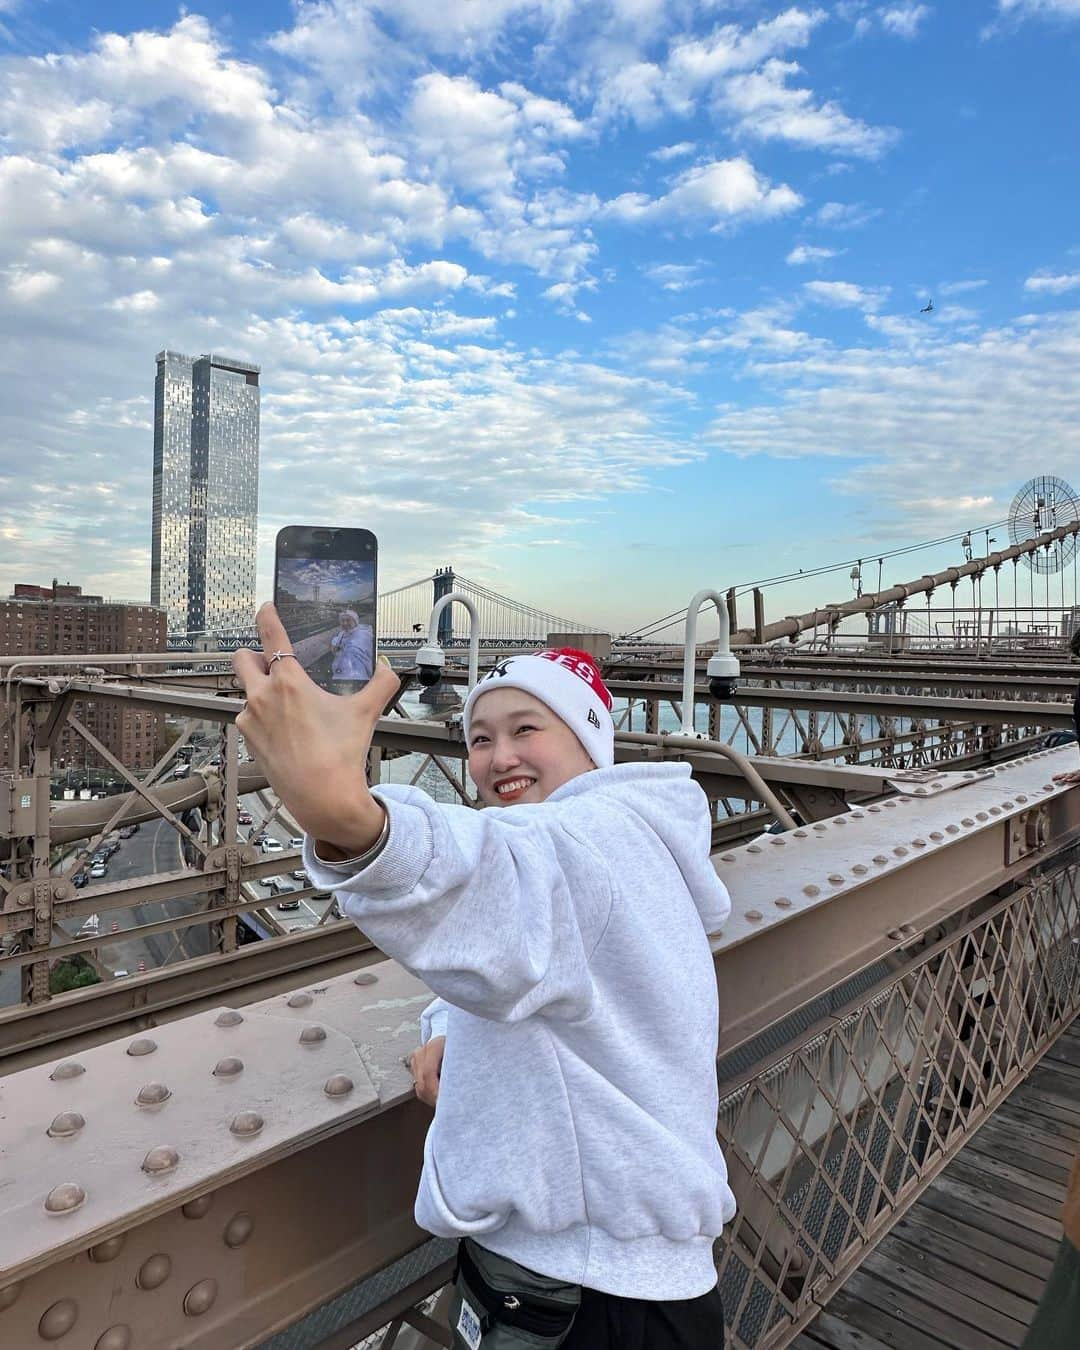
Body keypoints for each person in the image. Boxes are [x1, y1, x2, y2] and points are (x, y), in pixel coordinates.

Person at [234, 607, 734, 1349]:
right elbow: (544, 974)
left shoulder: (591, 841)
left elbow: (504, 885)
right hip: (601, 1282)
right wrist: (447, 1029)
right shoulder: (633, 842)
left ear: (592, 742)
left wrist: (350, 816)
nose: (498, 758)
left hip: (586, 1301)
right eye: (479, 738)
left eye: (527, 729)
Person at [330, 608, 374, 683]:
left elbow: (354, 649)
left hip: (356, 672)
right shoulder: (343, 633)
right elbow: (336, 643)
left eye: (348, 620)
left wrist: (340, 650)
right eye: (342, 621)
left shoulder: (362, 634)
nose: (345, 623)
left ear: (355, 621)